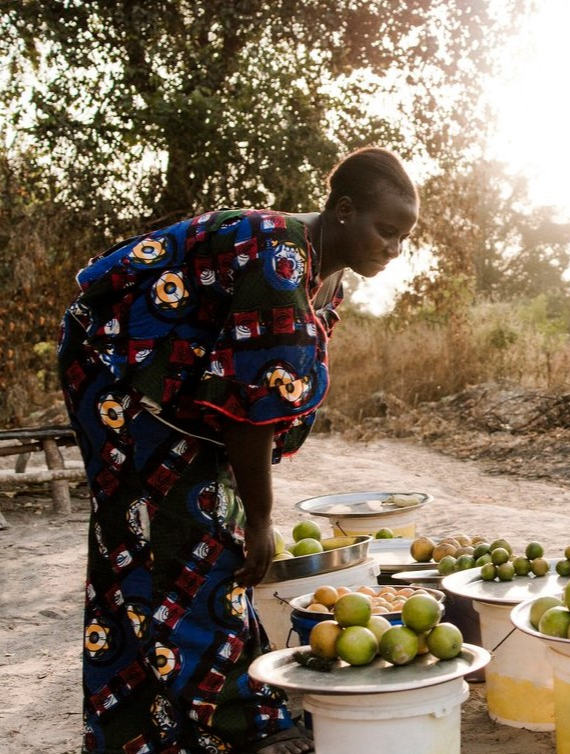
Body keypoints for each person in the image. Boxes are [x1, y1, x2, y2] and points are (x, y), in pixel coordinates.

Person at [58, 147, 419, 754]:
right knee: (187, 538)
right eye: (386, 230)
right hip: (116, 372)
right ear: (343, 209)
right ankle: (238, 726)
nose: (394, 248)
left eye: (404, 237)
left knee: (175, 537)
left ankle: (147, 729)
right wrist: (259, 517)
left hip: (175, 391)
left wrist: (245, 502)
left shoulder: (327, 274)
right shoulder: (278, 258)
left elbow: (261, 384)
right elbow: (254, 407)